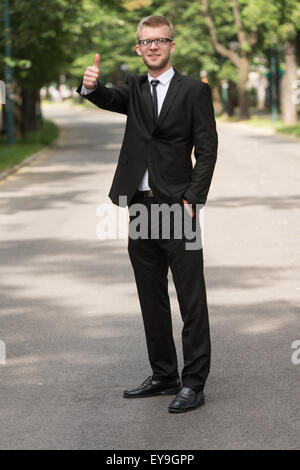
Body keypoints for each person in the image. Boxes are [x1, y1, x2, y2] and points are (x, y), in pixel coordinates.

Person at [77, 15, 218, 413]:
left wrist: (194, 197)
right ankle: (164, 374)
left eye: (160, 40)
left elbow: (207, 149)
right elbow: (108, 98)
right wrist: (90, 88)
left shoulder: (194, 91)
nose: (153, 46)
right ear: (138, 49)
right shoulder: (135, 88)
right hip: (141, 208)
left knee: (191, 299)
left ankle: (194, 382)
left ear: (172, 45)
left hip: (180, 207)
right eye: (145, 42)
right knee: (150, 295)